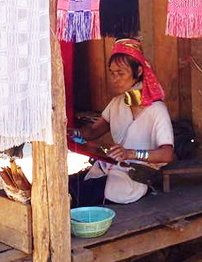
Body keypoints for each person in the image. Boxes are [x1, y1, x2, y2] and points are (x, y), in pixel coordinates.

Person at [69, 38, 174, 206]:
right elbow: (94, 132)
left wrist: (130, 154)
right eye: (112, 73)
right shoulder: (118, 102)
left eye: (121, 73)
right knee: (68, 188)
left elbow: (167, 154)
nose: (115, 78)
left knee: (75, 198)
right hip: (110, 168)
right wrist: (74, 133)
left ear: (139, 71)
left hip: (134, 177)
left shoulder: (157, 110)